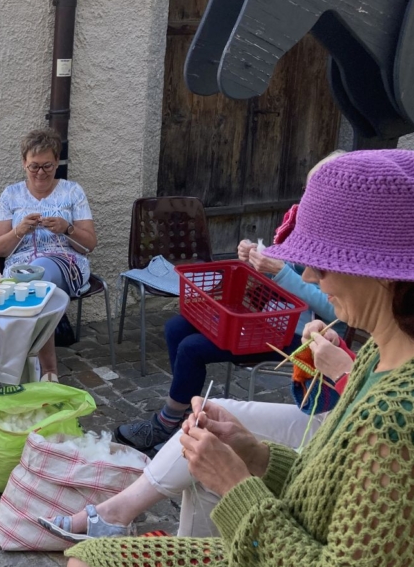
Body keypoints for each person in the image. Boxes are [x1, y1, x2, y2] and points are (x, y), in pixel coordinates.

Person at [66, 149, 414, 567]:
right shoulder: (380, 355)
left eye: (324, 263)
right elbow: (333, 495)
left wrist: (235, 485)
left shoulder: (405, 416)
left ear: (385, 271)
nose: (310, 276)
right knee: (87, 565)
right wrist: (254, 453)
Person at [40, 318, 356, 541]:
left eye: (323, 270)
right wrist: (337, 348)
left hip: (348, 432)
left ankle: (125, 521)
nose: (312, 274)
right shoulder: (375, 325)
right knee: (210, 418)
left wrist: (343, 372)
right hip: (334, 415)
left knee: (208, 447)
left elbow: (374, 409)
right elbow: (334, 393)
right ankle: (125, 518)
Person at [115, 152, 346, 455]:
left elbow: (333, 311)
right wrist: (256, 256)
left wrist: (280, 272)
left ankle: (167, 421)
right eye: (307, 189)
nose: (306, 198)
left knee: (191, 348)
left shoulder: (342, 241)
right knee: (176, 327)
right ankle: (184, 411)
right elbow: (286, 268)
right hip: (268, 317)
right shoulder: (304, 225)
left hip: (298, 335)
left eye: (315, 191)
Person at [0, 128, 97, 382]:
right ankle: (41, 370)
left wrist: (67, 228)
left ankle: (46, 369)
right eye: (34, 166)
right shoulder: (11, 194)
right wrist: (19, 230)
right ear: (24, 163)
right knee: (31, 285)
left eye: (47, 166)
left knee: (38, 279)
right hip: (19, 267)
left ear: (57, 162)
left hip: (66, 263)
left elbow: (90, 244)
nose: (40, 172)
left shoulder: (72, 192)